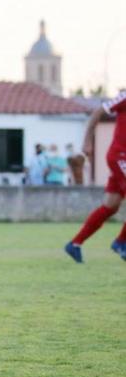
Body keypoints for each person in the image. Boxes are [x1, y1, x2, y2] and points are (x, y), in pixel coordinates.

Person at [65, 92, 126, 262]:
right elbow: (98, 112)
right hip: (120, 156)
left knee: (111, 205)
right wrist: (87, 141)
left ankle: (75, 244)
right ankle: (121, 242)